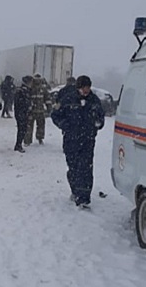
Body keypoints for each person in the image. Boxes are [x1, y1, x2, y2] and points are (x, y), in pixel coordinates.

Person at [51, 75, 104, 209]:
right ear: (78, 87)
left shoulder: (94, 101)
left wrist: (97, 124)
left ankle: (84, 198)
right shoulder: (68, 99)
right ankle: (75, 191)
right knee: (74, 168)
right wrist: (65, 125)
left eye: (88, 87)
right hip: (71, 141)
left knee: (86, 169)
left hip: (87, 140)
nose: (86, 90)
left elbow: (100, 117)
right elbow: (55, 115)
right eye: (84, 88)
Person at [24, 73, 52, 146]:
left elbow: (47, 99)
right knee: (29, 126)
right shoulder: (30, 88)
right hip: (31, 111)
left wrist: (49, 108)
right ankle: (27, 140)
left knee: (41, 125)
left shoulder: (43, 88)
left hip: (40, 110)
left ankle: (40, 138)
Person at [13, 75, 33, 153]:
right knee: (21, 129)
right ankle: (18, 145)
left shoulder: (27, 90)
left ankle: (19, 144)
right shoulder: (21, 91)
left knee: (23, 129)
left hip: (24, 112)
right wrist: (25, 107)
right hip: (21, 112)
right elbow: (19, 103)